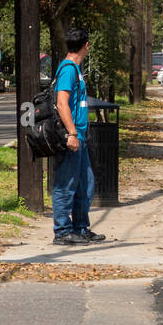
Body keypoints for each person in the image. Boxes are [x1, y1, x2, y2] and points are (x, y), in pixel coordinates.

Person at [52, 27, 105, 245]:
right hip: (71, 137)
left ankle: (81, 227)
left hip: (80, 136)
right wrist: (72, 133)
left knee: (85, 184)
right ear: (86, 45)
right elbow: (61, 102)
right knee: (66, 184)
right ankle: (62, 231)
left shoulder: (75, 69)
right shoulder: (68, 70)